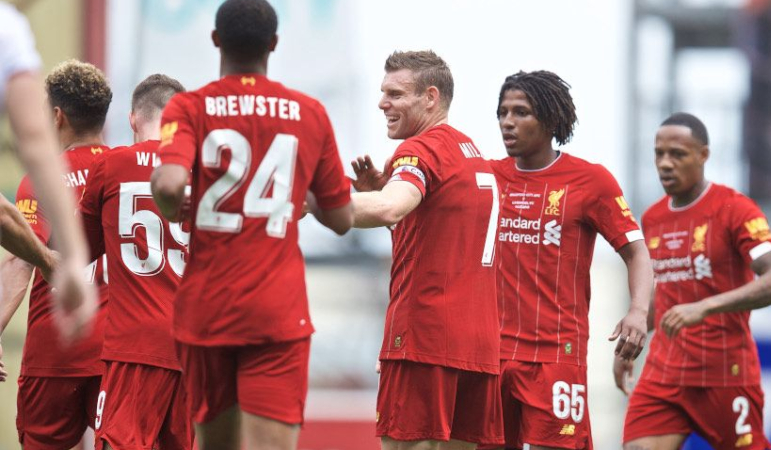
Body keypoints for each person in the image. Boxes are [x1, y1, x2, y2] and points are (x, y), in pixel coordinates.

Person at [150, 1, 353, 449]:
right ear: (273, 45)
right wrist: (297, 193)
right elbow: (341, 219)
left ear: (216, 40)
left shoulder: (187, 107)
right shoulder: (310, 112)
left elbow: (168, 184)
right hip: (276, 312)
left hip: (206, 310)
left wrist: (171, 204)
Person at [474, 71, 651, 450]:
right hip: (491, 356)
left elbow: (636, 252)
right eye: (502, 112)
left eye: (521, 112)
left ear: (551, 119)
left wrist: (638, 311)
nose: (508, 121)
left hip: (555, 355)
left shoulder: (590, 181)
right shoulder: (486, 177)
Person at [350, 50, 504, 450]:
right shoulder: (471, 154)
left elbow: (391, 206)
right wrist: (383, 201)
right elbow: (427, 234)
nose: (383, 103)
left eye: (395, 93)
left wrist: (313, 200)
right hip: (479, 346)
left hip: (424, 339)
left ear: (430, 98)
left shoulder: (420, 150)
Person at [616, 112, 771, 450]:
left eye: (678, 154)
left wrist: (706, 307)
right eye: (659, 153)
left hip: (724, 375)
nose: (665, 163)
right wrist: (633, 336)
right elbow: (665, 292)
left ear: (703, 155)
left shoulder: (735, 209)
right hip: (664, 376)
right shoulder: (653, 217)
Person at [0, 58, 111, 449]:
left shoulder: (45, 179)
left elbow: (20, 257)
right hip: (116, 353)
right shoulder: (124, 172)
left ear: (58, 115)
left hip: (57, 350)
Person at [80, 74, 193, 450]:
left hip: (135, 346)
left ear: (132, 119)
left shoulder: (112, 166)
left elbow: (75, 250)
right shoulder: (202, 177)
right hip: (194, 350)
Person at [0, 1, 97, 339]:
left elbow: (18, 258)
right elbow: (34, 141)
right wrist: (67, 258)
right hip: (119, 353)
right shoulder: (7, 29)